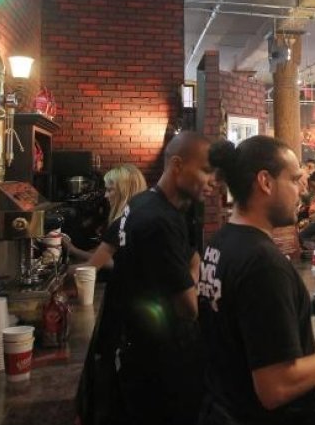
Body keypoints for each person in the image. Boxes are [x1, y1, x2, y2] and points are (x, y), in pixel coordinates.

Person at [198, 136, 315, 424]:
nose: (302, 190)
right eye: (294, 179)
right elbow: (276, 387)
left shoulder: (222, 241)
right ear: (265, 182)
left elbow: (244, 313)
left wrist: (312, 305)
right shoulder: (262, 262)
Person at [85, 131, 214, 424]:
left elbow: (193, 257)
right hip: (158, 363)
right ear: (177, 165)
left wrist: (191, 270)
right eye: (205, 171)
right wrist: (193, 277)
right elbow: (189, 308)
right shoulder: (159, 221)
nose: (211, 181)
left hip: (139, 349)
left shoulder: (145, 203)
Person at [65, 164, 148, 269]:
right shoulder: (139, 217)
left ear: (124, 192)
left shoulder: (122, 224)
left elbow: (95, 265)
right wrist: (73, 250)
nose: (105, 195)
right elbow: (109, 260)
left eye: (110, 190)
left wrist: (60, 273)